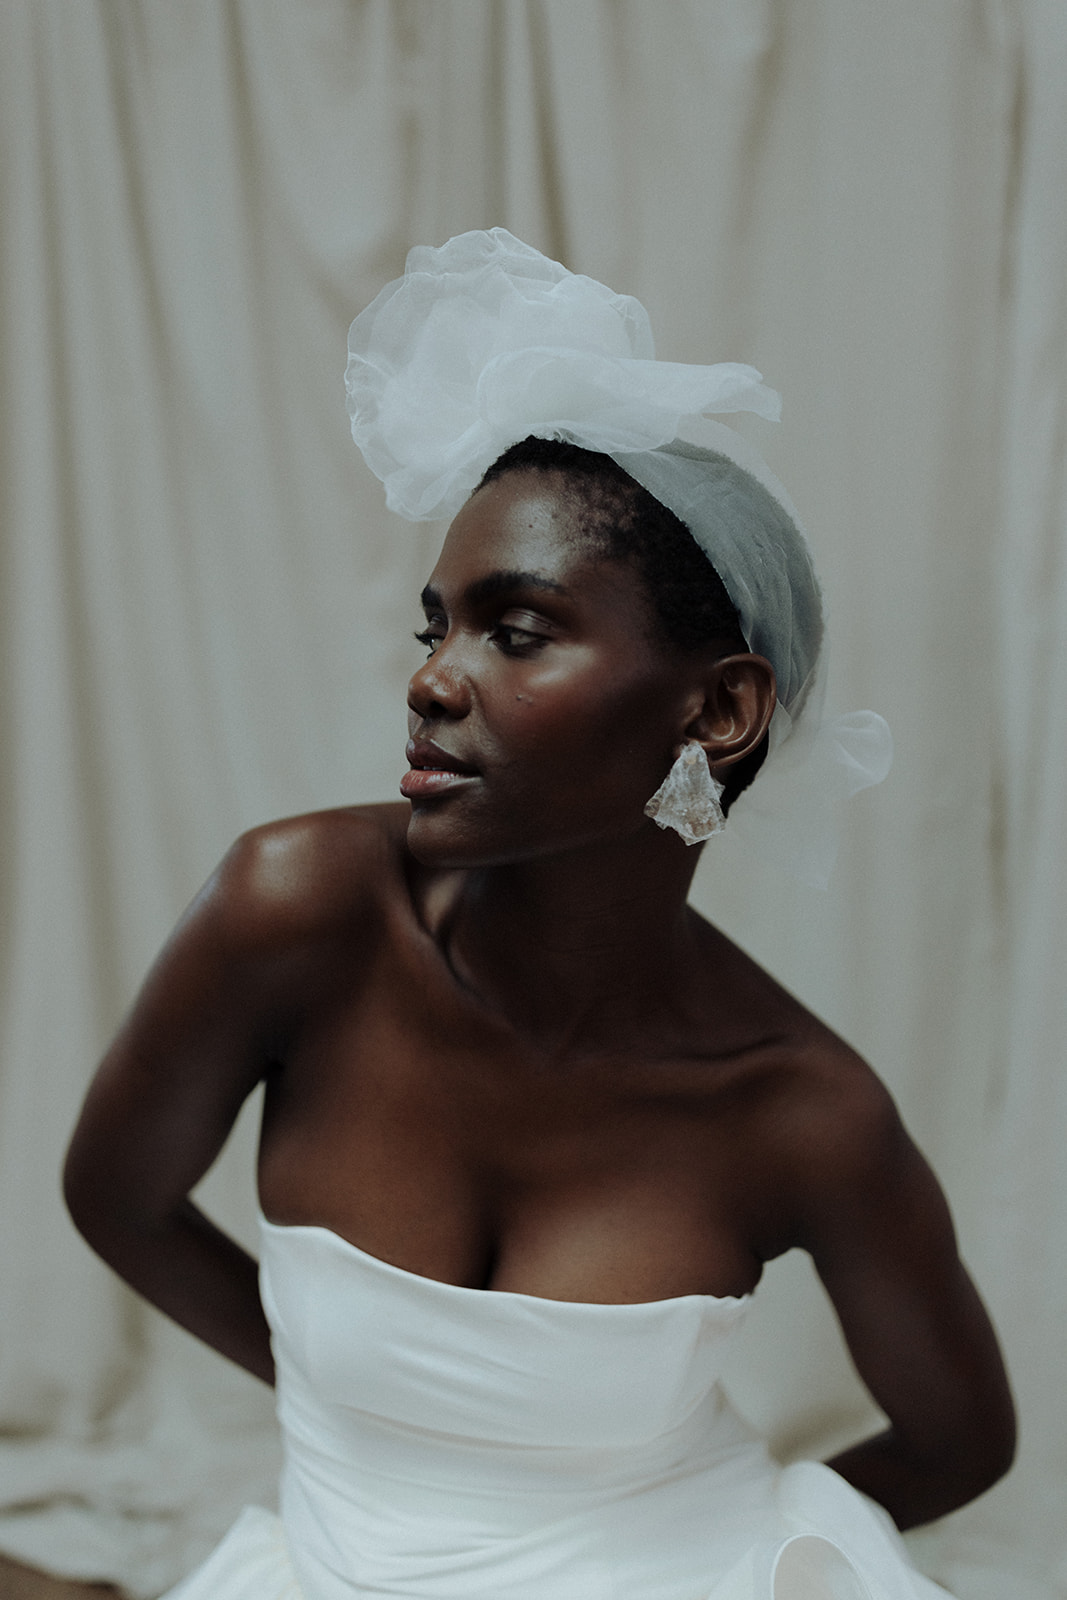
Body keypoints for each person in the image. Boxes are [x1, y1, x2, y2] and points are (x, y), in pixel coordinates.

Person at [63, 231, 1014, 1600]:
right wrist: (365, 1435)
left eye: (516, 631)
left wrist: (705, 1562)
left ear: (718, 710)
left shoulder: (799, 1106)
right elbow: (117, 1196)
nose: (434, 681)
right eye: (434, 627)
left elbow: (960, 1440)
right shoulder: (299, 911)